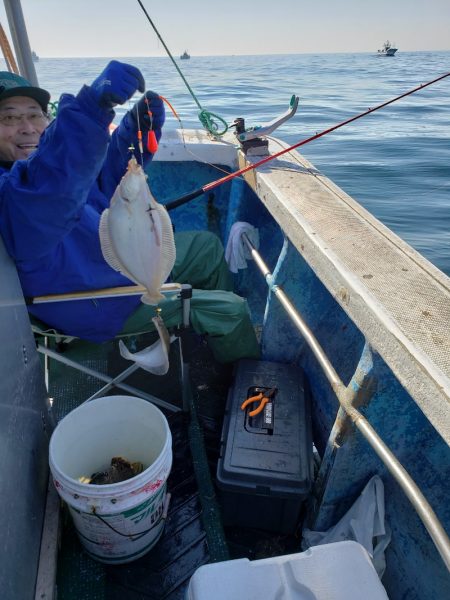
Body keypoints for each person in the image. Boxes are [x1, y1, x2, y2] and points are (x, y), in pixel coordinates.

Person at [0, 62, 259, 363]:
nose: (28, 127)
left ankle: (203, 334)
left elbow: (100, 184)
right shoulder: (19, 191)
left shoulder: (43, 173)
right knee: (231, 311)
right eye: (9, 118)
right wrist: (90, 109)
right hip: (95, 301)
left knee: (206, 248)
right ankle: (248, 386)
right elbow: (49, 190)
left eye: (34, 115)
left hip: (112, 270)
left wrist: (132, 137)